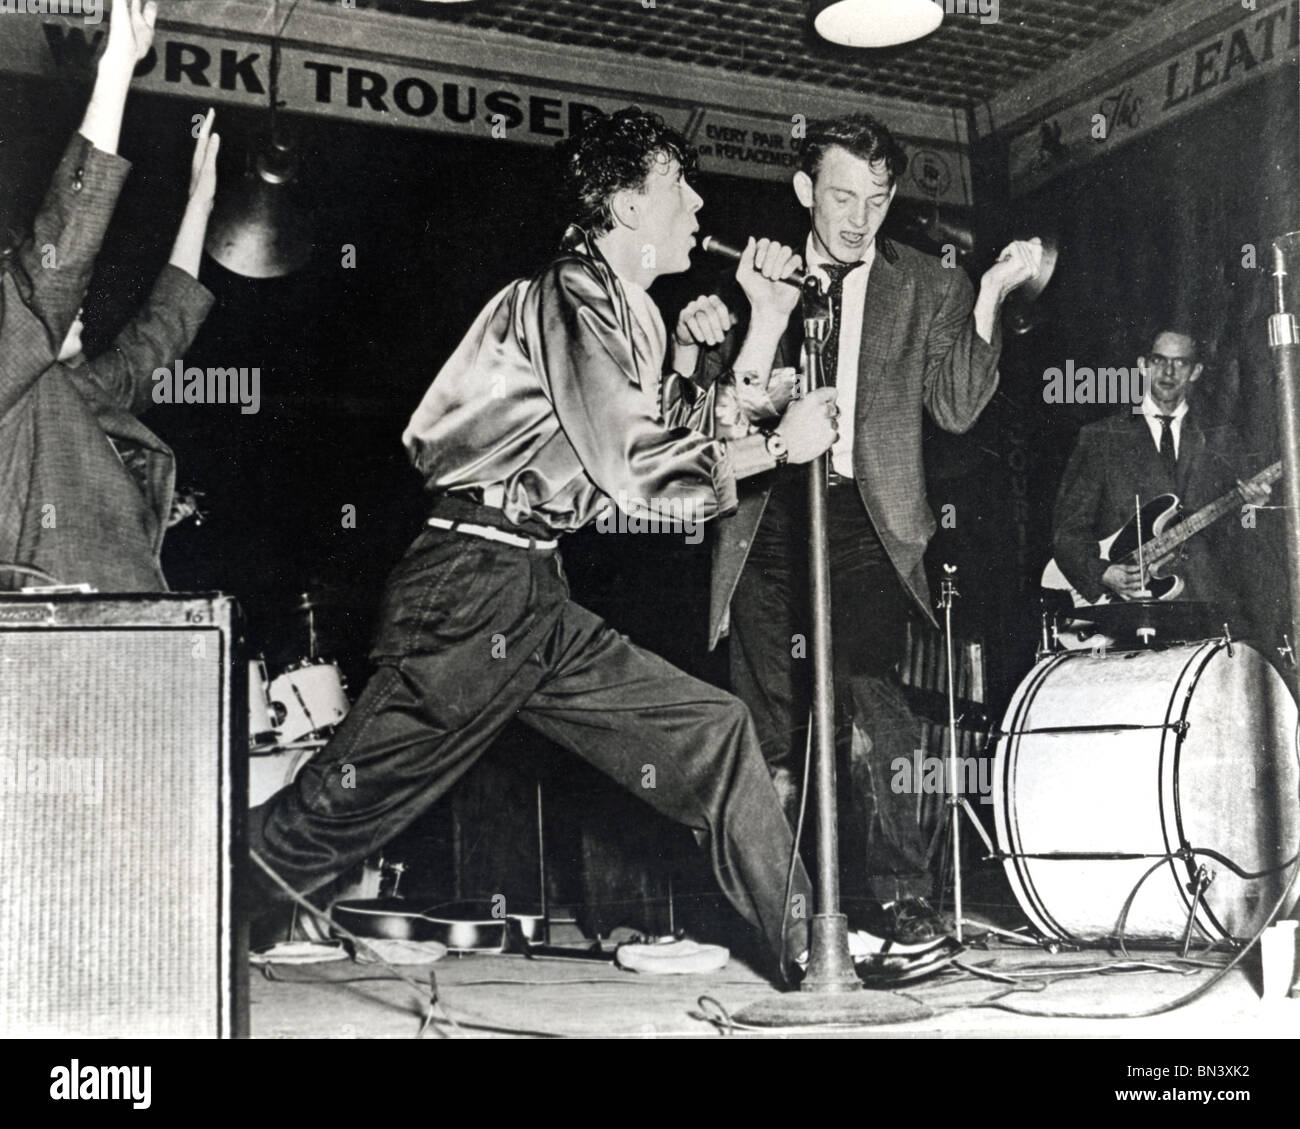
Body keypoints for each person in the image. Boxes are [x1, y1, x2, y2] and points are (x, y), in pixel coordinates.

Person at [246, 107, 841, 982]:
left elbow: (644, 476)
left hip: (531, 588)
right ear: (630, 207)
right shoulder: (571, 292)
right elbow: (641, 467)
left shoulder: (622, 307)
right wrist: (777, 446)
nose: (700, 204)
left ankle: (812, 953)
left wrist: (765, 320)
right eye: (681, 186)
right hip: (470, 583)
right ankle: (156, 913)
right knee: (330, 815)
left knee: (712, 729)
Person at [674, 112, 1041, 944]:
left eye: (877, 199)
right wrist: (715, 333)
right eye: (841, 195)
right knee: (766, 722)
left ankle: (902, 894)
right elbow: (717, 412)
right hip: (769, 510)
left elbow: (954, 407)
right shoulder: (759, 274)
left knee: (874, 707)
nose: (858, 217)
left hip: (864, 517)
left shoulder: (928, 284)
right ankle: (779, 910)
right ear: (805, 190)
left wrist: (986, 296)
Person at [0, 0, 220, 593]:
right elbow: (59, 255)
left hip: (127, 637)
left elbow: (162, 334)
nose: (81, 298)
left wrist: (199, 204)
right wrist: (118, 66)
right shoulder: (8, 377)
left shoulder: (73, 393)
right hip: (57, 648)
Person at [1051, 328, 1271, 611]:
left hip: (1207, 606)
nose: (1169, 371)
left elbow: (1242, 536)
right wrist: (1102, 573)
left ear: (1195, 372)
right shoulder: (1101, 437)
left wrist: (1252, 509)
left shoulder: (1222, 440)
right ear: (1143, 366)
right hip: (1132, 607)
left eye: (1181, 363)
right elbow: (1067, 533)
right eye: (1159, 360)